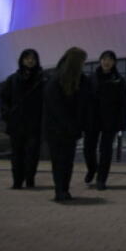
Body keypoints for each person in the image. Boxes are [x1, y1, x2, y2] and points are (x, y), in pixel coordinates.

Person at [43, 47, 91, 202]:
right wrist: (73, 124)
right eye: (82, 61)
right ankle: (61, 190)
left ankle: (63, 189)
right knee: (61, 160)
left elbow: (84, 104)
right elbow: (56, 107)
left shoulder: (79, 80)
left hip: (66, 128)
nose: (84, 64)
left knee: (65, 161)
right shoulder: (57, 80)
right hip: (58, 129)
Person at [0, 49, 44, 189]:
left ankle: (30, 178)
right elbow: (4, 98)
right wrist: (8, 115)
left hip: (34, 124)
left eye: (33, 58)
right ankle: (17, 181)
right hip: (17, 123)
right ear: (22, 60)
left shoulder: (43, 79)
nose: (30, 61)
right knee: (17, 154)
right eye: (27, 58)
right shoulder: (13, 79)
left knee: (32, 154)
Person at [84, 49, 126, 191]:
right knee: (88, 148)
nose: (106, 62)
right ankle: (92, 169)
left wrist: (122, 123)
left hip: (110, 120)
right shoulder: (91, 78)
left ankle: (101, 179)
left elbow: (124, 103)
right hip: (92, 119)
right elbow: (84, 100)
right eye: (104, 59)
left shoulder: (119, 80)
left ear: (114, 62)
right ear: (100, 61)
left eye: (109, 59)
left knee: (106, 150)